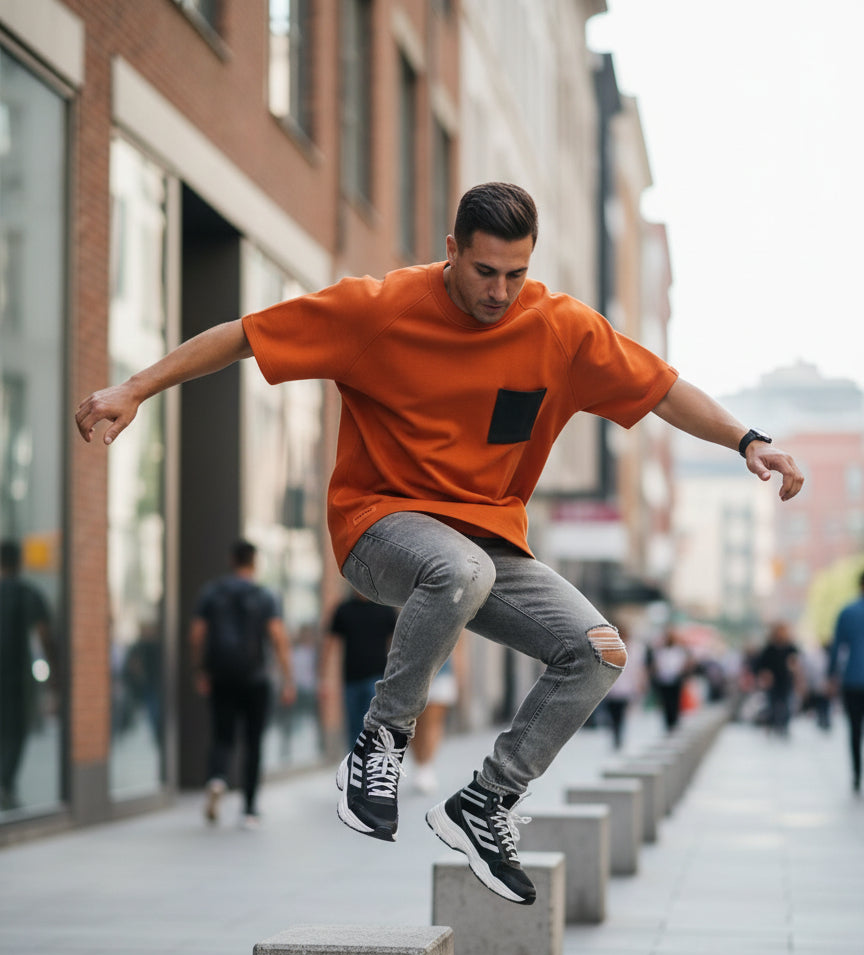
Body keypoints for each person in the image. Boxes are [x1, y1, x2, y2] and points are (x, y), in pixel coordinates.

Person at [75, 181, 804, 904]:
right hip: (377, 525)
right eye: (484, 272)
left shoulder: (560, 328)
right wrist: (135, 388)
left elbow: (663, 388)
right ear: (452, 251)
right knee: (459, 568)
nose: (499, 292)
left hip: (490, 545)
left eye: (516, 275)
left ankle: (486, 802)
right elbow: (245, 334)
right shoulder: (378, 308)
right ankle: (379, 746)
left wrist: (747, 438)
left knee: (599, 648)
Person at [190, 540, 295, 826]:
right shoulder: (264, 596)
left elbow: (198, 633)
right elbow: (278, 637)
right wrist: (288, 679)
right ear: (254, 563)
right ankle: (249, 809)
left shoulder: (212, 592)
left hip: (221, 675)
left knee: (222, 735)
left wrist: (201, 669)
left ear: (231, 560)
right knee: (253, 742)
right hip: (256, 678)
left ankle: (217, 778)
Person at [0, 540, 55, 810]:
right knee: (14, 733)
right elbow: (44, 634)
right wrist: (51, 672)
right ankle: (5, 783)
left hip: (13, 679)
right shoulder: (27, 593)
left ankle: (5, 786)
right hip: (16, 679)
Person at [321, 592, 398, 747]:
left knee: (374, 727)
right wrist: (324, 679)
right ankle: (355, 767)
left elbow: (396, 645)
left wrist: (396, 678)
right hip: (351, 680)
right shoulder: (343, 609)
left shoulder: (385, 609)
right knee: (354, 729)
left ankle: (371, 765)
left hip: (377, 680)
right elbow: (330, 644)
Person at [410, 641, 465, 794]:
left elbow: (459, 645)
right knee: (414, 723)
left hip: (443, 672)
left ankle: (426, 766)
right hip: (413, 671)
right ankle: (419, 764)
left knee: (433, 722)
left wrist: (459, 676)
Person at [829, 570, 864, 792]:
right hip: (853, 678)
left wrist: (831, 675)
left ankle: (856, 775)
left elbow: (836, 648)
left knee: (854, 730)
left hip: (853, 679)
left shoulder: (848, 612)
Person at [754, 622, 800, 738]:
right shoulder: (769, 649)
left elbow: (796, 663)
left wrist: (794, 669)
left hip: (785, 680)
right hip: (772, 682)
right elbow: (760, 665)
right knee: (772, 705)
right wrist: (765, 674)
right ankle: (772, 725)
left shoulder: (790, 647)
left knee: (786, 704)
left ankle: (783, 726)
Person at [648, 628, 692, 733]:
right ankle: (668, 724)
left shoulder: (678, 650)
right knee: (665, 703)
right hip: (663, 680)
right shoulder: (660, 651)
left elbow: (684, 664)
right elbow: (656, 665)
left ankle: (674, 722)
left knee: (675, 702)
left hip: (675, 680)